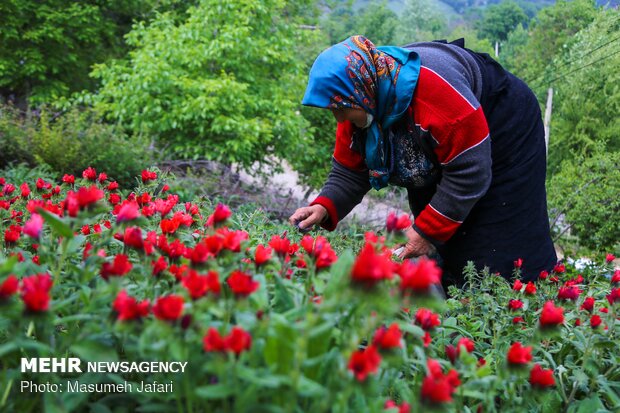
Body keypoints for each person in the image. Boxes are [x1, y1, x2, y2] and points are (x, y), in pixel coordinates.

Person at [288, 35, 557, 287]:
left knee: (495, 243)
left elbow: (470, 173)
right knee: (438, 234)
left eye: (340, 109)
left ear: (362, 91)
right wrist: (324, 206)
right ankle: (451, 313)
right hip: (443, 145)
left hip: (504, 127)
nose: (339, 118)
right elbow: (350, 172)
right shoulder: (358, 99)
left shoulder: (435, 97)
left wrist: (428, 231)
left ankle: (514, 313)